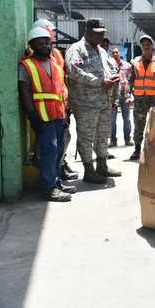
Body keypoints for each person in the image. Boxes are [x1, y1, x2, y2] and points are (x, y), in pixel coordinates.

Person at [18, 27, 76, 201]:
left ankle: (55, 181)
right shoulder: (26, 65)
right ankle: (48, 188)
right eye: (40, 41)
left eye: (47, 41)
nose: (45, 44)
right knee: (48, 151)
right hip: (42, 116)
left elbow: (61, 90)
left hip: (58, 115)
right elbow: (24, 91)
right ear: (32, 44)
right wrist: (32, 115)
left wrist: (66, 111)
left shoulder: (55, 65)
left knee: (58, 149)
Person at [64, 19, 122, 184]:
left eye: (103, 33)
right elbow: (74, 71)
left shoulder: (101, 51)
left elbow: (109, 70)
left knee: (103, 134)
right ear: (88, 32)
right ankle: (89, 170)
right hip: (85, 103)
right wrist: (99, 82)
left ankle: (102, 165)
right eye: (98, 33)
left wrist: (113, 78)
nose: (101, 36)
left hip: (104, 101)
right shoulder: (77, 49)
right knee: (86, 136)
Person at [31, 19, 79, 181]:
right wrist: (33, 114)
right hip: (44, 112)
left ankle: (58, 174)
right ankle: (50, 181)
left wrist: (67, 103)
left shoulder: (56, 54)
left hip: (60, 107)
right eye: (50, 30)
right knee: (48, 148)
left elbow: (61, 80)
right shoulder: (31, 59)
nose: (53, 35)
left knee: (61, 143)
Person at [128, 34, 155, 161]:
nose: (146, 47)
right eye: (143, 45)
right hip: (139, 99)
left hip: (154, 99)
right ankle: (137, 149)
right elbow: (130, 79)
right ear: (141, 47)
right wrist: (128, 94)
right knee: (138, 125)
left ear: (152, 46)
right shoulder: (135, 62)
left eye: (148, 45)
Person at [110, 48, 133, 147]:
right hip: (113, 96)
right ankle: (113, 140)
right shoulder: (109, 66)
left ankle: (127, 139)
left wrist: (131, 95)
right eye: (113, 53)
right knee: (112, 119)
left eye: (117, 52)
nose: (115, 54)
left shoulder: (127, 66)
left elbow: (132, 80)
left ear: (120, 54)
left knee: (126, 119)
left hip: (125, 95)